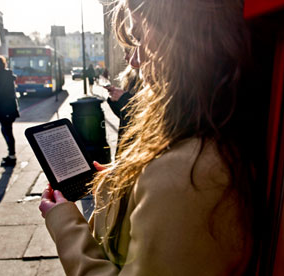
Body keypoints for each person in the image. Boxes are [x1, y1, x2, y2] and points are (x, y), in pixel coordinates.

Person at [40, 0, 265, 275]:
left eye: (138, 38)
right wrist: (124, 179)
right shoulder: (202, 138)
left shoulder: (188, 174)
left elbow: (175, 190)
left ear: (181, 40)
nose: (134, 59)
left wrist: (64, 223)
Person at [105, 48, 141, 156]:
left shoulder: (149, 79)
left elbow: (142, 116)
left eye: (128, 52)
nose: (125, 57)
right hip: (125, 144)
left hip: (137, 149)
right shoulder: (130, 76)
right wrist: (116, 100)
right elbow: (124, 117)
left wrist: (124, 98)